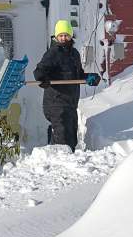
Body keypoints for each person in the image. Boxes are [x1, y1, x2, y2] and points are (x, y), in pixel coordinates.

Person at [33, 19, 99, 151]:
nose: (63, 38)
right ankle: (58, 167)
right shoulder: (53, 53)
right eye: (60, 35)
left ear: (70, 35)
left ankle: (59, 162)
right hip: (56, 103)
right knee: (63, 142)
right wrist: (43, 79)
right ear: (56, 36)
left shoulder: (74, 54)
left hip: (70, 103)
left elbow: (78, 76)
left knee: (71, 139)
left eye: (66, 35)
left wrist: (89, 78)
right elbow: (39, 71)